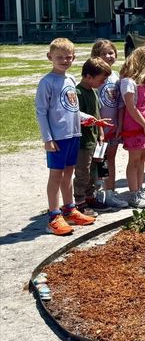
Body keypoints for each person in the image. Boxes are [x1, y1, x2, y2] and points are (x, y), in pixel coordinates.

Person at [36, 39, 100, 235]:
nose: (64, 60)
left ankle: (69, 209)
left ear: (74, 58)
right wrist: (48, 138)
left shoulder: (70, 80)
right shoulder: (47, 82)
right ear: (50, 57)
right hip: (58, 138)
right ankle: (54, 216)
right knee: (56, 176)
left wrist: (87, 118)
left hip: (74, 135)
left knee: (68, 174)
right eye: (59, 57)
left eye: (68, 57)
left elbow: (72, 109)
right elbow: (41, 112)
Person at [119, 47, 145, 208]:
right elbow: (131, 107)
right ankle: (133, 193)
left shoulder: (143, 82)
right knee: (134, 160)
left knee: (142, 158)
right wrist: (144, 124)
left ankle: (140, 189)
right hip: (136, 127)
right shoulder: (128, 82)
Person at [90, 39, 129, 208]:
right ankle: (96, 193)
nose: (108, 56)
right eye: (103, 53)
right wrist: (99, 128)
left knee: (110, 158)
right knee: (99, 160)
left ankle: (110, 192)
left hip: (113, 128)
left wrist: (120, 124)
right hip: (99, 130)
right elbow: (93, 106)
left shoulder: (116, 77)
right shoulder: (95, 78)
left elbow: (120, 103)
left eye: (111, 52)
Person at [74, 57, 113, 215]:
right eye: (101, 79)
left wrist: (101, 133)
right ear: (88, 76)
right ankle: (79, 202)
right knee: (82, 173)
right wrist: (92, 124)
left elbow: (97, 114)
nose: (102, 83)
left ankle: (90, 197)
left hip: (94, 139)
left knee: (93, 172)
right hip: (83, 142)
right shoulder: (78, 93)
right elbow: (78, 118)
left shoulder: (93, 91)